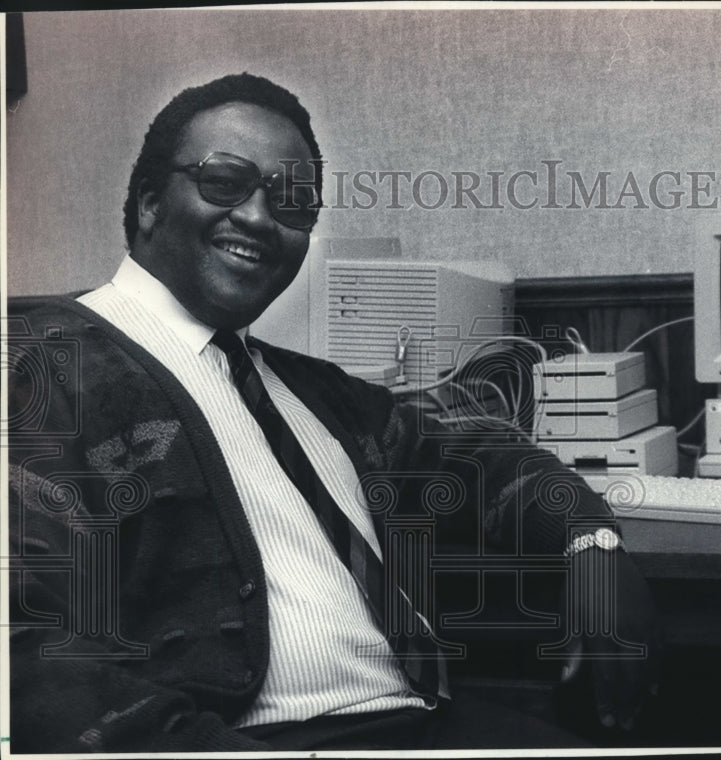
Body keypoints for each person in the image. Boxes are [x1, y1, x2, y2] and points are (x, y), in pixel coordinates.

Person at [7, 73, 661, 752]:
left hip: (419, 724)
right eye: (225, 182)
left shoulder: (309, 391)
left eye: (292, 201)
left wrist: (592, 543)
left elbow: (476, 459)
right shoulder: (41, 367)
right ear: (148, 203)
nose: (260, 218)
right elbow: (22, 646)